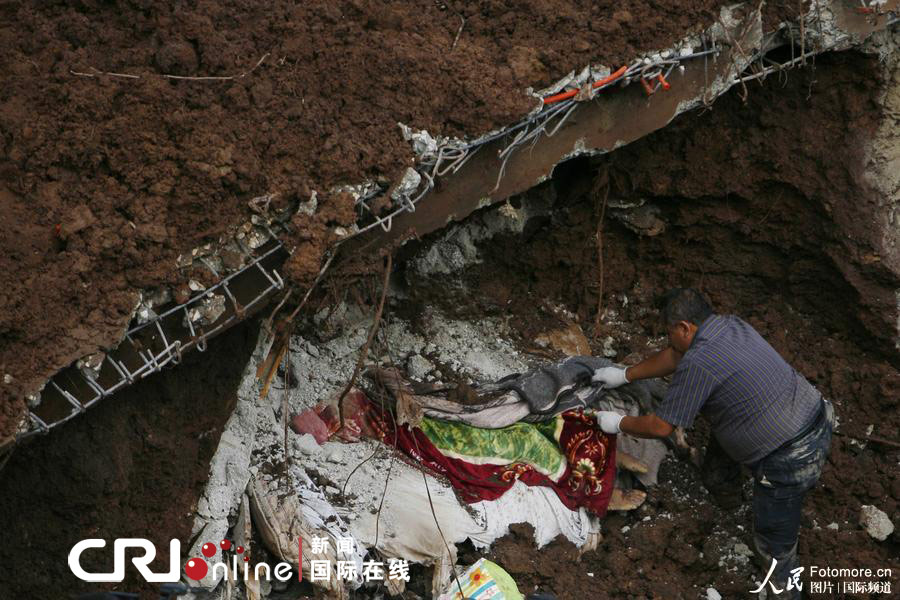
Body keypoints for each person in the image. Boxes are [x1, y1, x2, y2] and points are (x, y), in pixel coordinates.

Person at [592, 288, 833, 597]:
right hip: (811, 410)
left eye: (669, 332)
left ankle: (784, 589)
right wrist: (625, 375)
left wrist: (616, 423)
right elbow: (674, 356)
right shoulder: (729, 325)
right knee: (718, 465)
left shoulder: (701, 361)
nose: (668, 340)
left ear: (683, 327)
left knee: (775, 542)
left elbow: (661, 425)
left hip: (793, 453)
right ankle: (729, 497)